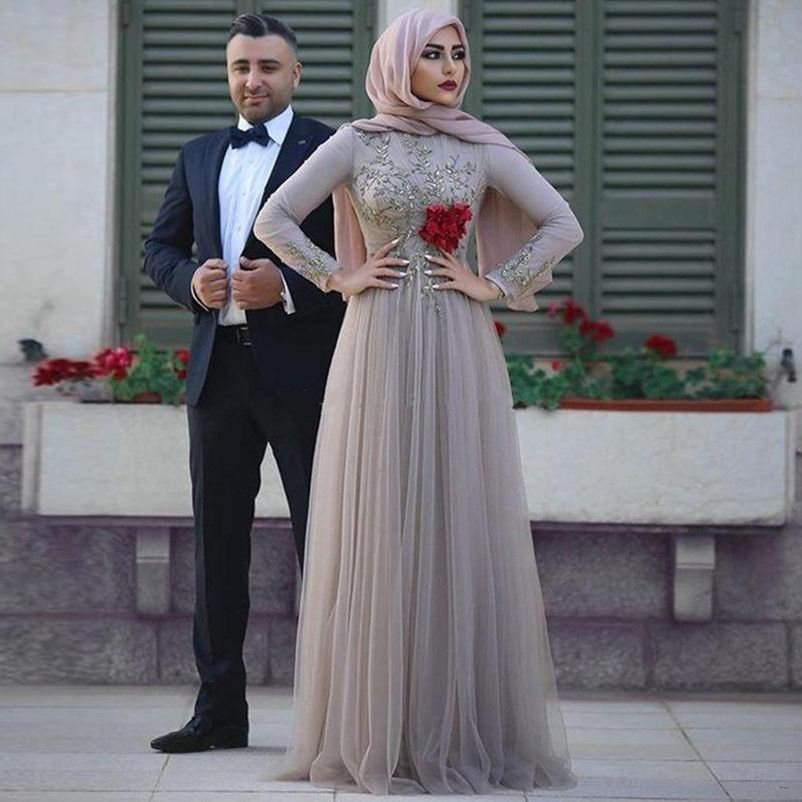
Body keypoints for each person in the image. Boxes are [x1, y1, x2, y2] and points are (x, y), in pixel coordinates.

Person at [254, 8, 583, 795]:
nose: (450, 67)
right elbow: (274, 218)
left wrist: (491, 283)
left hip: (457, 344)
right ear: (398, 63)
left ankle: (454, 726)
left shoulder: (481, 146)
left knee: (452, 514)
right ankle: (379, 730)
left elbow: (561, 223)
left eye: (458, 54)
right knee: (380, 516)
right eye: (432, 54)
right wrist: (338, 276)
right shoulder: (356, 142)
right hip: (375, 342)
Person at [144, 14, 345, 753]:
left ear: (295, 74)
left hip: (304, 376)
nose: (252, 80)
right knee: (216, 546)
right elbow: (159, 247)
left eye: (267, 66)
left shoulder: (334, 148)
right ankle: (220, 713)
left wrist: (287, 286)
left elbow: (360, 259)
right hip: (217, 373)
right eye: (240, 67)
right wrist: (190, 284)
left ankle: (336, 719)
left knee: (326, 543)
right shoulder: (198, 154)